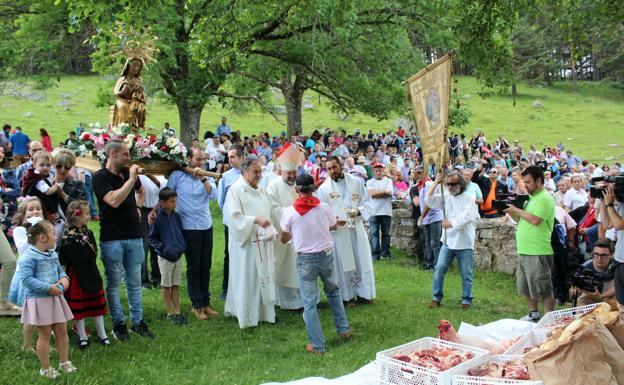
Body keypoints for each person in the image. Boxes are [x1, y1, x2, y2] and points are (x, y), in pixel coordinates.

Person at [279, 174, 352, 354]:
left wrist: (292, 234)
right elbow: (332, 226)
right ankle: (344, 329)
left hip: (305, 258)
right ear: (314, 189)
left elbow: (283, 238)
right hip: (325, 254)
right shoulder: (324, 207)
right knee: (333, 292)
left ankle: (318, 345)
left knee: (309, 302)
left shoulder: (289, 212)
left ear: (297, 190)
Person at [92, 140, 153, 341]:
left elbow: (141, 190)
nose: (128, 158)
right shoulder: (100, 177)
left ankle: (138, 322)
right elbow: (114, 200)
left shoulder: (128, 174)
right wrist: (131, 179)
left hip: (134, 236)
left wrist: (137, 206)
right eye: (125, 154)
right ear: (112, 154)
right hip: (112, 238)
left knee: (135, 282)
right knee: (114, 283)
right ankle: (118, 324)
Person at [223, 157, 278, 328]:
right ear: (244, 172)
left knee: (264, 275)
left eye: (260, 171)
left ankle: (264, 312)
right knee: (248, 277)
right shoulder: (236, 190)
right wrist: (255, 220)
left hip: (263, 240)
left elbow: (271, 207)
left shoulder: (260, 190)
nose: (259, 175)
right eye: (256, 172)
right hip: (246, 243)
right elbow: (233, 217)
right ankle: (247, 315)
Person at [165, 148, 218, 319]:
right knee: (194, 265)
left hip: (205, 224)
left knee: (205, 265)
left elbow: (214, 195)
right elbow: (166, 194)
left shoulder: (207, 175)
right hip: (187, 226)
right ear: (189, 159)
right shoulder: (178, 175)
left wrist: (202, 178)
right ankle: (197, 305)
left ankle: (206, 301)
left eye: (202, 159)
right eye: (197, 159)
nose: (200, 162)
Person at [18, 220, 76, 379]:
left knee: (62, 331)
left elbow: (61, 273)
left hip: (55, 299)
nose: (56, 237)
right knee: (45, 334)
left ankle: (64, 362)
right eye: (53, 234)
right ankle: (45, 368)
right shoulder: (28, 257)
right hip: (40, 300)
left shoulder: (52, 254)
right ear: (43, 237)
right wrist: (48, 288)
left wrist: (64, 282)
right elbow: (26, 280)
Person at [316, 156, 376, 304]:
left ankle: (363, 294)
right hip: (339, 232)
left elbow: (367, 202)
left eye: (334, 167)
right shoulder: (323, 189)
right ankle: (347, 296)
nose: (332, 171)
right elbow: (321, 212)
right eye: (329, 169)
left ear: (341, 165)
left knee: (361, 259)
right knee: (343, 263)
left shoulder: (356, 182)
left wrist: (359, 211)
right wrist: (333, 221)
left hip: (356, 229)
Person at [504, 166, 555, 322]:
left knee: (543, 288)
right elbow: (524, 220)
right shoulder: (532, 198)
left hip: (538, 250)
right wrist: (511, 212)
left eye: (528, 182)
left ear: (539, 180)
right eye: (524, 182)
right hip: (525, 250)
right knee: (526, 286)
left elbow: (535, 220)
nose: (525, 185)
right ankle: (533, 314)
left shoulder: (545, 198)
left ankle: (548, 319)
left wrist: (516, 210)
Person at [426, 170, 480, 310]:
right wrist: (436, 182)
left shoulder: (469, 198)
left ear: (461, 184)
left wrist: (451, 223)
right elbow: (429, 200)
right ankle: (436, 298)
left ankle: (466, 300)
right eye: (448, 184)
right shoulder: (447, 197)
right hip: (448, 242)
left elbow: (467, 217)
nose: (450, 187)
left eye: (453, 184)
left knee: (466, 273)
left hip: (464, 242)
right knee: (439, 269)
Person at [59, 200, 109, 349]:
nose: (89, 216)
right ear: (76, 216)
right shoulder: (68, 235)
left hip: (91, 271)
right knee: (78, 306)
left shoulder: (88, 232)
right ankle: (82, 335)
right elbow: (64, 257)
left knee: (96, 304)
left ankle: (102, 333)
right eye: (86, 214)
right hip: (76, 274)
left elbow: (94, 251)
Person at [266, 146, 303, 310]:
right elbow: (271, 209)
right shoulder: (273, 187)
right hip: (283, 233)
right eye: (289, 173)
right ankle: (285, 302)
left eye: (294, 173)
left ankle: (301, 300)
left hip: (300, 234)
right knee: (284, 266)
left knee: (300, 266)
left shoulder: (300, 184)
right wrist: (292, 213)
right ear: (281, 171)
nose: (292, 176)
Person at [8, 197, 44, 350]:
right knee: (30, 311)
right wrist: (33, 229)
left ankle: (43, 337)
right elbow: (23, 249)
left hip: (42, 274)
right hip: (27, 276)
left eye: (38, 208)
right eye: (31, 209)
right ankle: (27, 344)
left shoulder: (45, 228)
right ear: (23, 215)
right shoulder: (19, 230)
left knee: (41, 308)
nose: (35, 211)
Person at [149, 188, 188, 325]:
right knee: (166, 285)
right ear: (162, 202)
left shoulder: (176, 217)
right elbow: (152, 238)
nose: (174, 204)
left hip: (177, 256)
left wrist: (180, 247)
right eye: (171, 202)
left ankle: (177, 311)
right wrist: (164, 249)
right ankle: (170, 313)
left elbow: (180, 233)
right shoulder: (156, 217)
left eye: (175, 201)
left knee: (176, 284)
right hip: (165, 258)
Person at [216, 146, 245, 301]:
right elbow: (221, 201)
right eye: (229, 156)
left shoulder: (248, 173)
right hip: (231, 222)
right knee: (230, 254)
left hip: (247, 221)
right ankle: (226, 288)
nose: (230, 159)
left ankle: (245, 285)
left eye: (233, 157)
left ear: (241, 157)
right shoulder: (226, 177)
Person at [412, 165, 443, 270]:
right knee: (427, 242)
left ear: (426, 173)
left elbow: (429, 203)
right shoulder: (422, 186)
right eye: (417, 172)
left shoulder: (429, 184)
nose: (418, 174)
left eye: (420, 172)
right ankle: (429, 264)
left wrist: (421, 216)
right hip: (427, 218)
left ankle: (437, 265)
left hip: (434, 217)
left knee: (434, 242)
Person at [569, 238, 616, 306]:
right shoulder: (585, 267)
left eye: (603, 255)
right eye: (596, 254)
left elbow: (620, 287)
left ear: (611, 254)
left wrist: (602, 296)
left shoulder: (616, 266)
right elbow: (571, 292)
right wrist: (574, 291)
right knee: (581, 306)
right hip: (589, 297)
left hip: (609, 296)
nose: (599, 258)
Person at [600, 184, 624, 307]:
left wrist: (610, 204)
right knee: (621, 302)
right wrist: (603, 201)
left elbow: (619, 224)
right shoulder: (621, 204)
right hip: (620, 259)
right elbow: (606, 224)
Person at [138, 174, 162, 288]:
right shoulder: (137, 175)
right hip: (142, 212)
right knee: (144, 246)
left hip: (156, 210)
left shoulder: (159, 175)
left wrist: (155, 210)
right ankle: (143, 280)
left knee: (156, 246)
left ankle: (157, 276)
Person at [366, 162, 393, 260]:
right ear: (374, 171)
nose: (378, 172)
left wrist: (376, 194)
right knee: (374, 234)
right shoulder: (369, 182)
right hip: (373, 212)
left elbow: (389, 193)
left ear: (383, 171)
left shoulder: (388, 181)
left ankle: (385, 254)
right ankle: (375, 255)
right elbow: (371, 194)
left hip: (386, 211)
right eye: (376, 170)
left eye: (380, 170)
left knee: (386, 234)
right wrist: (384, 193)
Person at [112, 58, 146, 128]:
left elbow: (142, 97)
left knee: (141, 108)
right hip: (123, 101)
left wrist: (140, 92)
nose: (136, 68)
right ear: (128, 66)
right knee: (123, 106)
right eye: (134, 65)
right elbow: (116, 92)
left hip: (134, 102)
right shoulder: (123, 79)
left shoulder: (138, 80)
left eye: (138, 66)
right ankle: (122, 128)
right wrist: (122, 92)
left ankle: (139, 128)